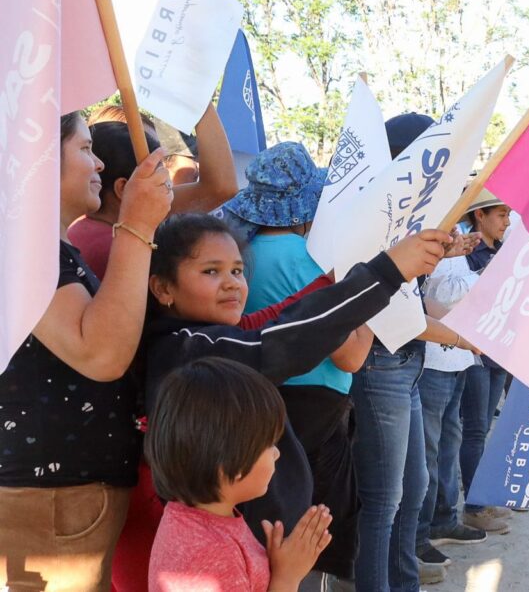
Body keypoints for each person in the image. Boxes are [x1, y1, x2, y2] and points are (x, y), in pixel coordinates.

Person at [144, 213, 447, 550]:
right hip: (237, 550)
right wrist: (386, 273)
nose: (231, 282)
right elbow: (285, 339)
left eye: (237, 271)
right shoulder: (187, 349)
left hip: (261, 545)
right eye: (211, 271)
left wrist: (340, 280)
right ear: (163, 288)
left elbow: (282, 315)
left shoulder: (214, 337)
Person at [0, 113, 172, 591]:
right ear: (39, 158)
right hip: (50, 499)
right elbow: (100, 353)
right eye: (83, 148)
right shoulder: (26, 247)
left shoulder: (45, 247)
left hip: (62, 495)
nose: (97, 161)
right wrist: (137, 222)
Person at [228, 141, 372, 588]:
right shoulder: (317, 262)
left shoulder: (233, 255)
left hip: (252, 407)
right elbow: (350, 356)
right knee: (313, 532)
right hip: (317, 418)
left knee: (264, 529)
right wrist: (364, 307)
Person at [350, 113, 480, 592]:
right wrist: (459, 336)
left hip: (405, 364)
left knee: (413, 491)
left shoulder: (409, 216)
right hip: (381, 363)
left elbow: (405, 294)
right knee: (384, 501)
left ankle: (403, 582)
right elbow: (384, 307)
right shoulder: (374, 217)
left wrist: (439, 255)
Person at [146, 357, 333, 591]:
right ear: (229, 464)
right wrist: (287, 577)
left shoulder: (197, 519)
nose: (276, 454)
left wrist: (274, 565)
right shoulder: (212, 555)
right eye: (269, 444)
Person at [70, 103, 238, 280]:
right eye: (158, 171)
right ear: (123, 188)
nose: (168, 183)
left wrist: (198, 97)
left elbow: (219, 188)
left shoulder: (88, 227)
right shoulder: (117, 248)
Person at [415, 225, 496, 577]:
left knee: (450, 442)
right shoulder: (422, 227)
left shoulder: (455, 228)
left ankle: (444, 518)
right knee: (426, 455)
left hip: (457, 357)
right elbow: (437, 298)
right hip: (434, 359)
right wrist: (489, 278)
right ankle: (419, 536)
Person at [459, 191, 517, 531]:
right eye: (501, 214)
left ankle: (483, 497)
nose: (507, 221)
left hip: (499, 350)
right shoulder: (468, 252)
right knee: (475, 429)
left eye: (508, 214)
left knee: (482, 429)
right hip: (475, 351)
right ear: (479, 216)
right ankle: (474, 506)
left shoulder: (501, 250)